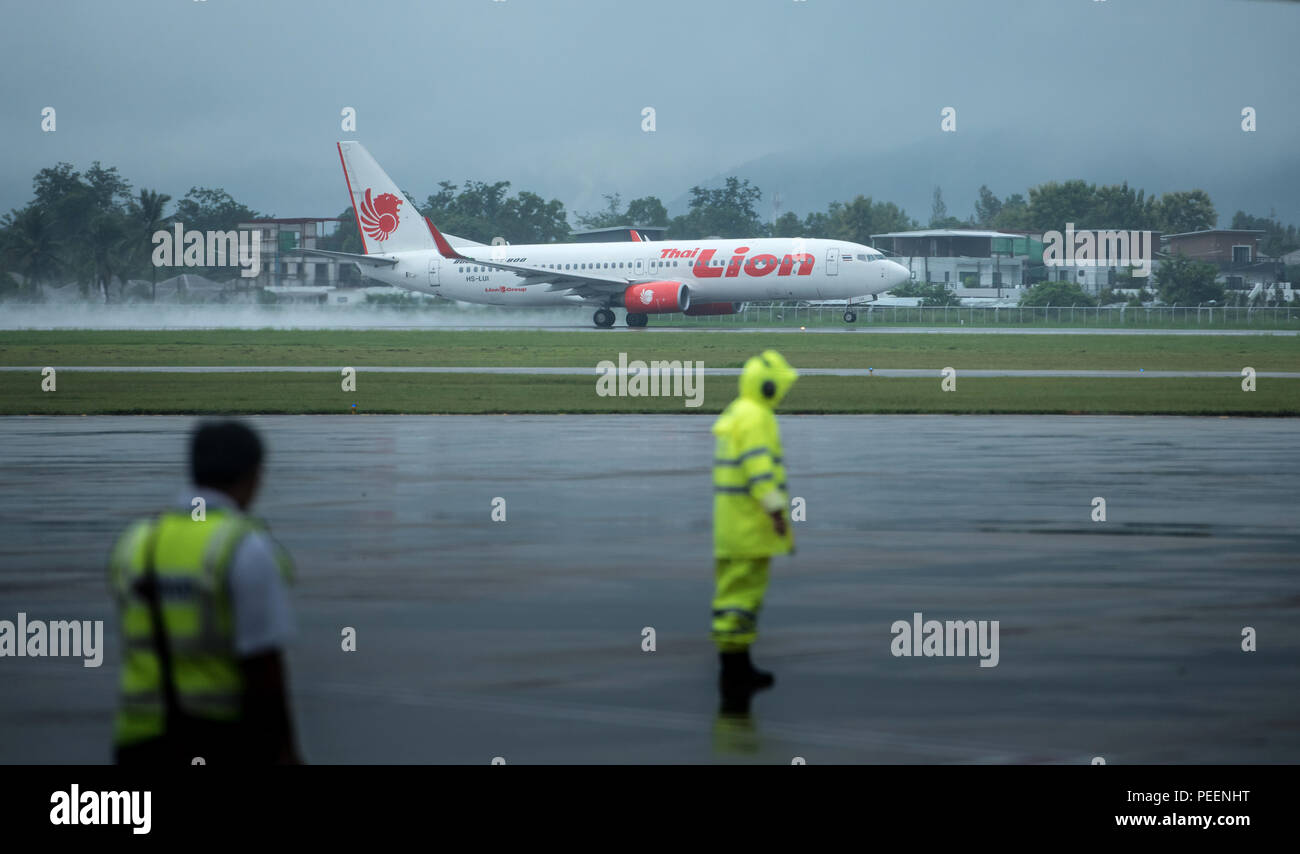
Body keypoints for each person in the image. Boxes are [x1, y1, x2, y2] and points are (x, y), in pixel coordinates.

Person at [107, 419, 302, 764]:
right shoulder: (243, 546)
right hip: (220, 738)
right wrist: (284, 753)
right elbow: (264, 668)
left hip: (138, 739)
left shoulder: (136, 543)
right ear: (254, 475)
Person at [710, 349, 798, 699]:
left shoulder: (739, 410)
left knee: (734, 595)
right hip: (749, 523)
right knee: (743, 596)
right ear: (766, 385)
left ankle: (736, 665)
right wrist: (776, 511)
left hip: (732, 524)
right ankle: (734, 671)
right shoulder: (756, 417)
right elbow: (759, 470)